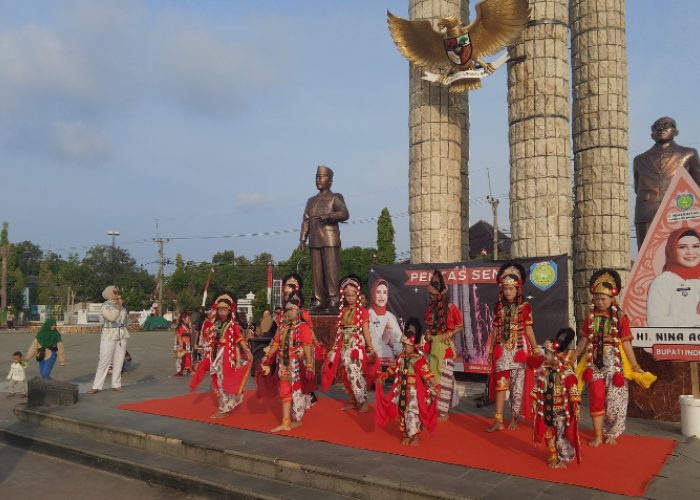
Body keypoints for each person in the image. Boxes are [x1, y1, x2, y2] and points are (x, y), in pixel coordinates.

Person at [573, 269, 650, 447]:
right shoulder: (590, 316)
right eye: (597, 298)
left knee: (615, 401)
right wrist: (574, 358)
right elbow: (584, 341)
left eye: (603, 299)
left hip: (615, 364)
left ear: (612, 297)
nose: (599, 302)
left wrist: (636, 366)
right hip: (594, 362)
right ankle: (598, 434)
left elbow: (626, 345)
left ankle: (612, 431)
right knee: (596, 396)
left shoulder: (621, 318)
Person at [486, 262, 540, 432]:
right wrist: (492, 349)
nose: (508, 291)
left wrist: (536, 351)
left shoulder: (525, 307)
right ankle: (498, 420)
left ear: (518, 288)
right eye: (505, 288)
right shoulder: (499, 307)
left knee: (517, 387)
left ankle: (514, 417)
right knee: (501, 383)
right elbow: (495, 330)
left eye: (511, 288)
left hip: (520, 349)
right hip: (503, 348)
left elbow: (529, 330)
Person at [634, 117, 700, 248]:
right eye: (656, 127)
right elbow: (638, 188)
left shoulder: (688, 154)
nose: (661, 129)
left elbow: (697, 185)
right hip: (647, 212)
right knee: (649, 254)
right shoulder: (639, 159)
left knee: (679, 250)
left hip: (679, 211)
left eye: (666, 125)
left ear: (676, 131)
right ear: (651, 133)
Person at [375, 318, 439, 446]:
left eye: (406, 345)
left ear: (414, 346)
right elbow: (393, 369)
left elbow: (428, 374)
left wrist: (435, 385)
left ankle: (415, 436)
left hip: (414, 392)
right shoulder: (401, 357)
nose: (404, 347)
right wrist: (382, 376)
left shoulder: (418, 359)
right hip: (401, 390)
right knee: (402, 413)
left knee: (413, 414)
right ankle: (405, 435)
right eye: (403, 345)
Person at [259, 292, 315, 432]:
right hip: (284, 363)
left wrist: (309, 364)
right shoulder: (283, 327)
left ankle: (298, 418)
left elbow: (307, 345)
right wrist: (268, 355)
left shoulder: (303, 327)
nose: (288, 312)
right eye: (287, 310)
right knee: (284, 391)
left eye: (291, 309)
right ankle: (285, 421)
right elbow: (276, 343)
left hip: (297, 364)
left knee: (297, 391)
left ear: (298, 310)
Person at [298, 165, 350, 313]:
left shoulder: (335, 197)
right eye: (317, 177)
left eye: (321, 177)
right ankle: (318, 301)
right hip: (314, 240)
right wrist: (302, 239)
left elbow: (345, 214)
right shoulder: (311, 200)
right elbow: (306, 220)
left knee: (331, 272)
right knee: (317, 273)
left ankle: (333, 302)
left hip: (330, 239)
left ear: (330, 181)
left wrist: (329, 216)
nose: (318, 180)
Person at [322, 275, 378, 413]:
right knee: (346, 373)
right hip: (344, 345)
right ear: (344, 297)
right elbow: (339, 332)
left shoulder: (362, 311)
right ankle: (353, 400)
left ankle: (363, 401)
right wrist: (334, 349)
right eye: (348, 295)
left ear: (357, 295)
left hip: (356, 344)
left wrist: (369, 347)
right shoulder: (343, 312)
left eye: (353, 295)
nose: (351, 297)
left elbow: (365, 330)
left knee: (356, 373)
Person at [531, 328, 581, 468]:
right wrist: (535, 400)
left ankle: (562, 457)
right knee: (548, 432)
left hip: (561, 410)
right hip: (546, 408)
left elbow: (573, 390)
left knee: (561, 435)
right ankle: (553, 455)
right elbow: (538, 386)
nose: (544, 355)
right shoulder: (544, 371)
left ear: (556, 355)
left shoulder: (566, 373)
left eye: (547, 353)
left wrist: (576, 407)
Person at [424, 269, 463, 422]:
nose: (431, 297)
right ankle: (432, 408)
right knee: (431, 378)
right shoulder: (430, 309)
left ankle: (443, 412)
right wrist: (428, 333)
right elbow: (428, 326)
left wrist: (448, 334)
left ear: (441, 293)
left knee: (445, 381)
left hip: (445, 348)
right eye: (430, 294)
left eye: (433, 294)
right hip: (432, 347)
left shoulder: (452, 309)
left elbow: (460, 326)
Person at [207, 292, 253, 419]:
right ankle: (223, 407)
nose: (222, 311)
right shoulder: (214, 324)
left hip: (226, 357)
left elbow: (239, 339)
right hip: (215, 356)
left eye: (224, 309)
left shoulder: (232, 325)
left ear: (229, 310)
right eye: (220, 309)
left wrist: (247, 351)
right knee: (216, 382)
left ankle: (223, 409)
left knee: (223, 382)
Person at [647, 226, 700, 326]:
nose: (690, 252)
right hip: (679, 341)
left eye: (696, 246)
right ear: (672, 250)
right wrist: (697, 319)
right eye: (682, 247)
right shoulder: (664, 281)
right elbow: (656, 321)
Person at [87, 285, 129, 394]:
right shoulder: (105, 306)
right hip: (109, 334)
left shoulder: (122, 306)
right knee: (104, 360)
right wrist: (119, 306)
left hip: (121, 334)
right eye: (115, 292)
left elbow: (125, 321)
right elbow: (111, 317)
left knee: (119, 361)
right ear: (109, 293)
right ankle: (96, 385)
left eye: (118, 292)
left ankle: (116, 384)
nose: (117, 294)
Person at [369, 279, 402, 367]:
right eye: (378, 292)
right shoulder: (368, 315)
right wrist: (384, 343)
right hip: (374, 361)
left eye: (384, 292)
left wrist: (392, 344)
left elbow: (400, 341)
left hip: (391, 365)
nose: (381, 296)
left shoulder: (390, 316)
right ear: (373, 294)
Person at [190, 306, 219, 394]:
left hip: (216, 345)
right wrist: (197, 344)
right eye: (209, 314)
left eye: (211, 313)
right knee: (205, 362)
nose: (210, 315)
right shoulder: (203, 324)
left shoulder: (216, 323)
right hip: (206, 345)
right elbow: (199, 335)